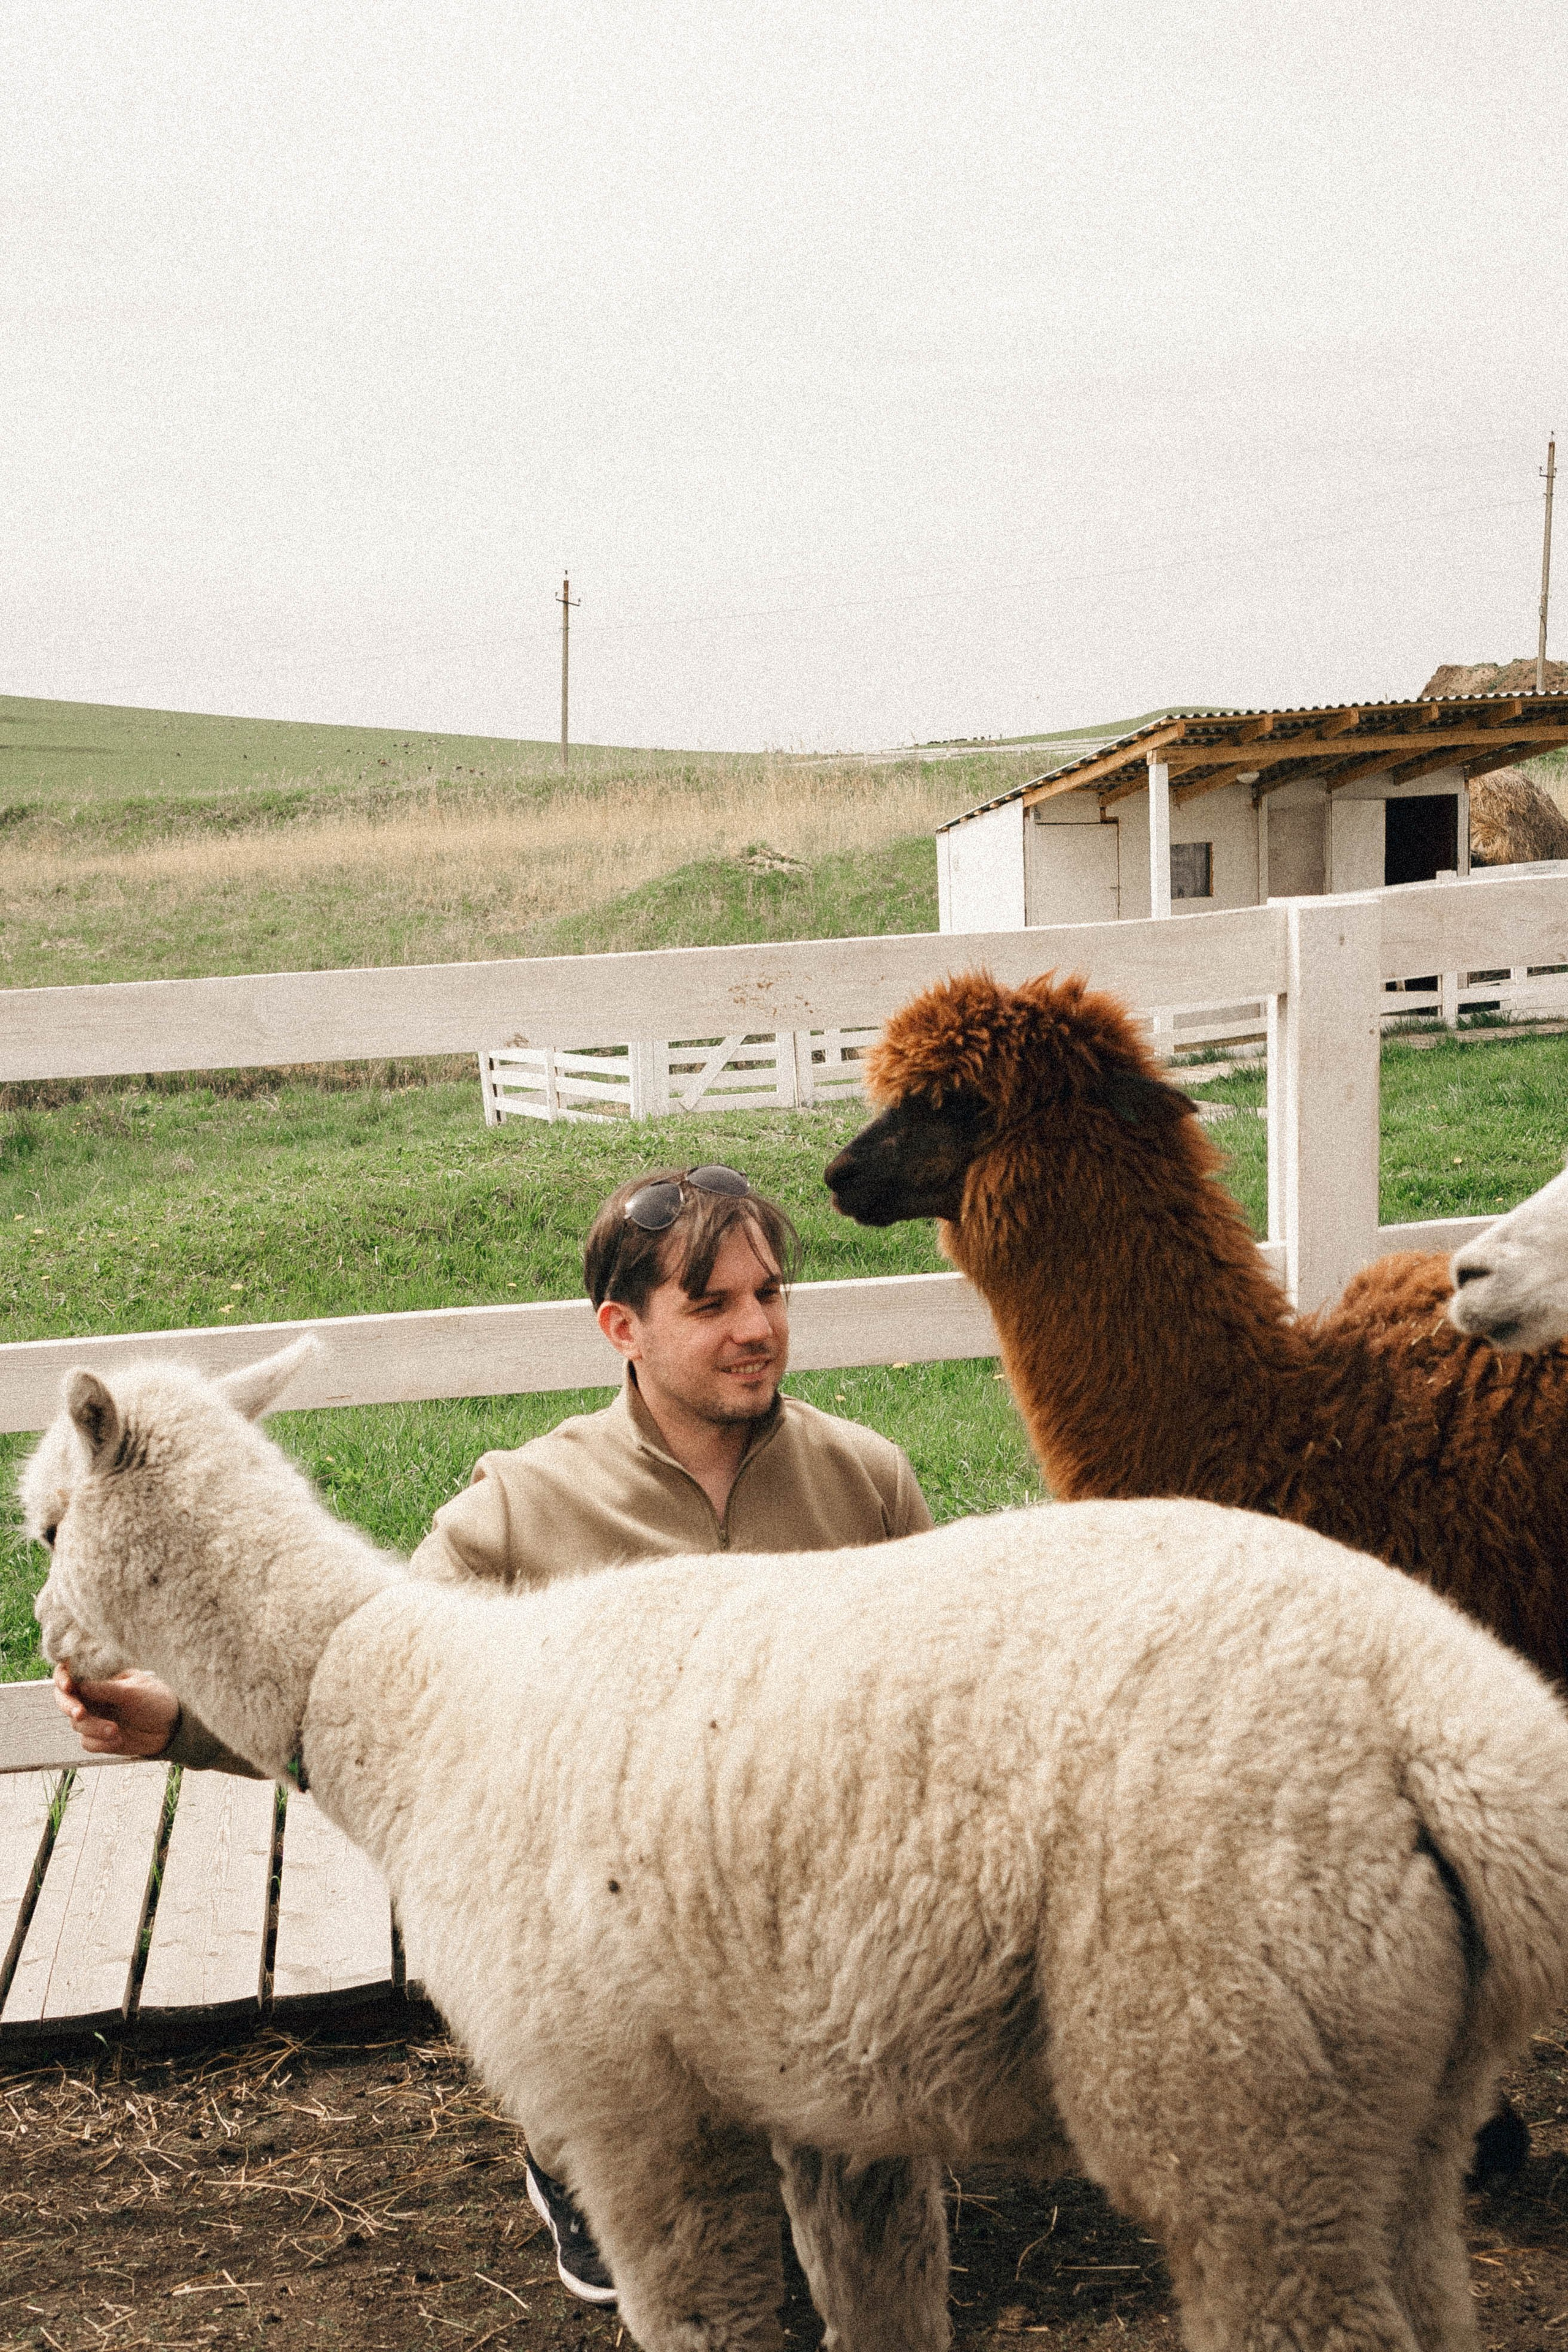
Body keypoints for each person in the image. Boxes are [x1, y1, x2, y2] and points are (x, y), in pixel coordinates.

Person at [55, 1162, 933, 2304]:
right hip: (634, 1985)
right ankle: (577, 2150)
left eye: (769, 1296)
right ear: (622, 1326)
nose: (756, 1329)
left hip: (822, 1957)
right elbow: (365, 1704)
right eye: (711, 1306)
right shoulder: (522, 1506)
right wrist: (176, 1726)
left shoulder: (867, 1483)